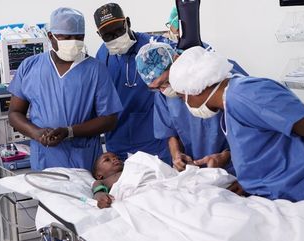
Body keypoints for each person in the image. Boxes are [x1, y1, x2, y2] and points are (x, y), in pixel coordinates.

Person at [168, 46, 304, 226]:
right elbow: (261, 150)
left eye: (181, 96)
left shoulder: (245, 94)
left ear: (195, 90)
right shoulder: (229, 106)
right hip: (293, 200)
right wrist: (249, 182)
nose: (184, 103)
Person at [8, 8, 122, 171]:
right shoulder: (29, 67)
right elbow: (14, 113)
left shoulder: (95, 69)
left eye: (78, 37)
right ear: (50, 36)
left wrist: (70, 132)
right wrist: (37, 133)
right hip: (45, 159)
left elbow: (109, 119)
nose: (73, 42)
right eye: (66, 37)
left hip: (84, 160)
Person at [135, 42, 248, 173]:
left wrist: (228, 156)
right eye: (157, 88)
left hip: (238, 166)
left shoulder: (220, 74)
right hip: (198, 170)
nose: (165, 89)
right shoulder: (164, 94)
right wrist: (176, 154)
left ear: (176, 59)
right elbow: (169, 131)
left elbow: (253, 133)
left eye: (166, 81)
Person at [93, 3, 171, 164]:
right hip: (118, 141)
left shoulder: (154, 45)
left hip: (155, 140)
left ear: (127, 22)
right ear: (99, 34)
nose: (115, 38)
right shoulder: (103, 55)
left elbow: (189, 57)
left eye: (119, 30)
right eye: (108, 35)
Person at [91, 152, 244, 209]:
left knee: (194, 186)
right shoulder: (105, 181)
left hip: (162, 182)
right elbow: (97, 186)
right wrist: (99, 195)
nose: (115, 160)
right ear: (99, 174)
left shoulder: (135, 163)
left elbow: (162, 171)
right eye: (107, 160)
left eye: (116, 157)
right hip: (141, 193)